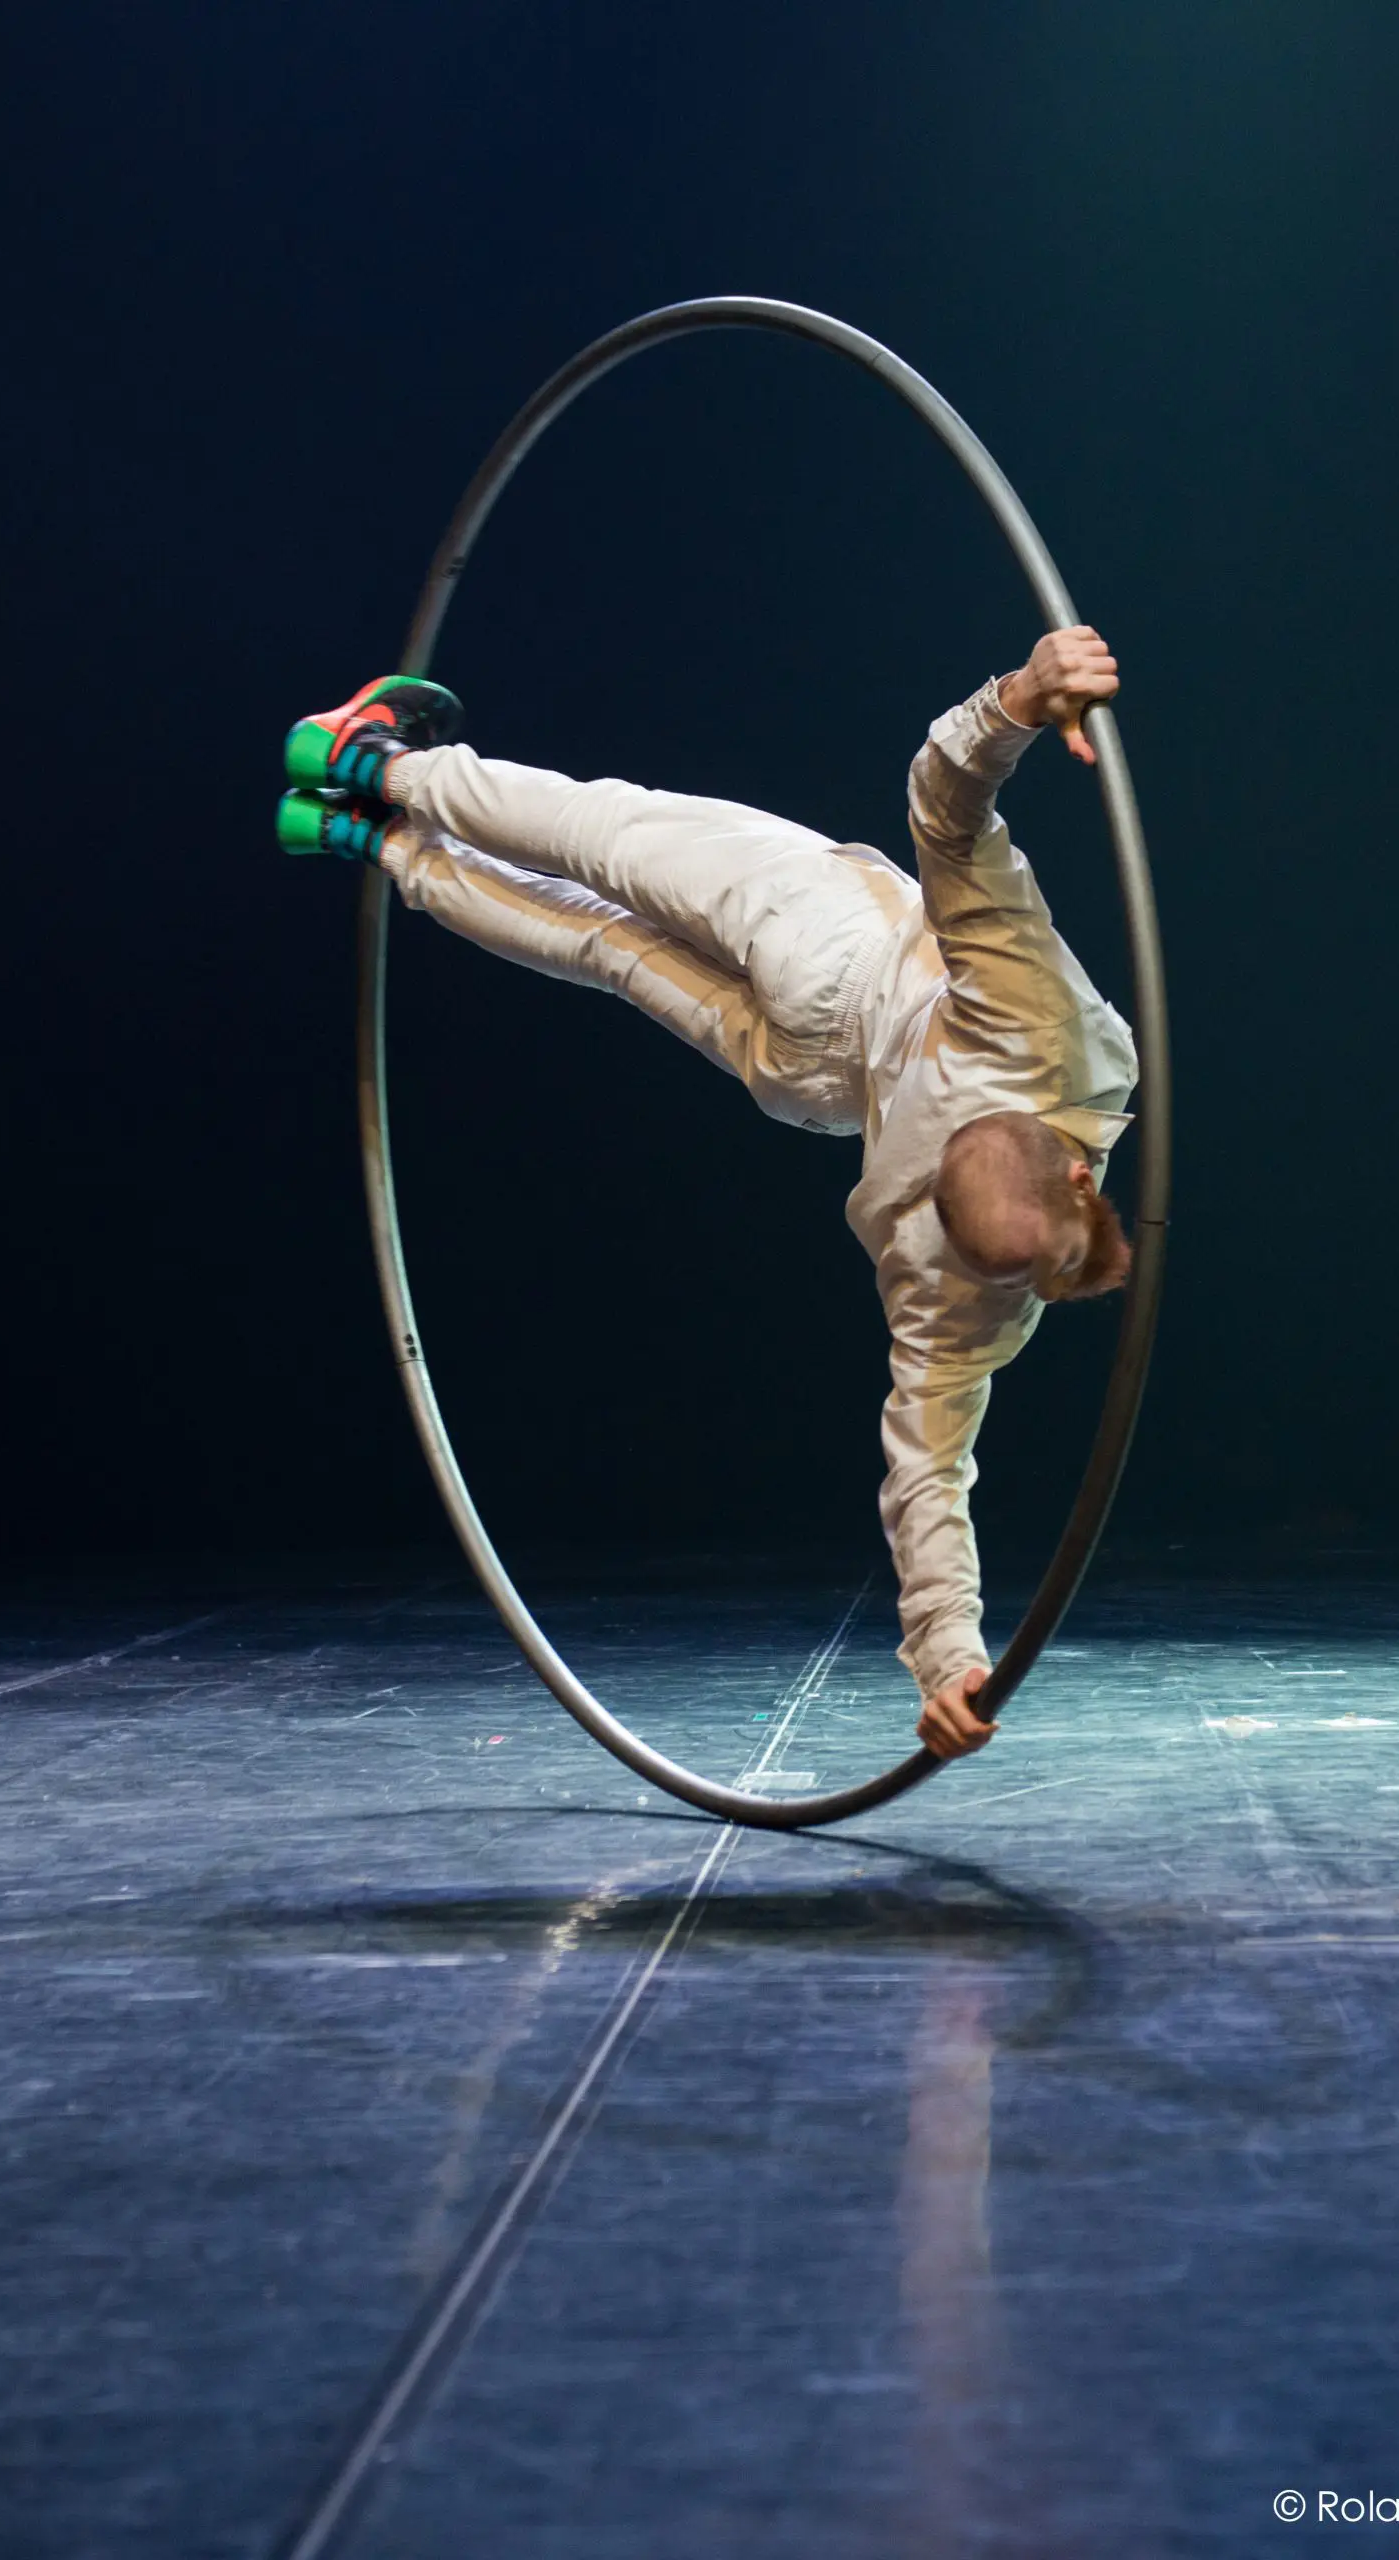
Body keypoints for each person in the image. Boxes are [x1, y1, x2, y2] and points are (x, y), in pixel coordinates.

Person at [278, 627, 1137, 1762]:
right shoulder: (978, 1274)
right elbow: (926, 1461)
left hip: (827, 959)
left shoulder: (1041, 1062)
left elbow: (942, 809)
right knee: (602, 943)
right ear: (1071, 1172)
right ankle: (374, 840)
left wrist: (952, 1661)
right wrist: (1022, 702)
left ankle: (370, 763)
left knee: (608, 837)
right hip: (816, 1085)